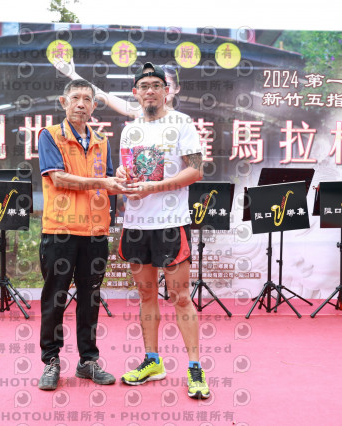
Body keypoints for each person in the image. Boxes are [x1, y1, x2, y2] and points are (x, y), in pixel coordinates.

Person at [117, 62, 209, 399]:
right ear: (135, 93)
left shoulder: (182, 123)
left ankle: (195, 367)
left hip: (170, 223)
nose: (150, 91)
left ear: (166, 91)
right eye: (144, 86)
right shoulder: (129, 130)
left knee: (180, 297)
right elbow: (128, 173)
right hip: (136, 223)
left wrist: (153, 189)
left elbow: (196, 171)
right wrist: (123, 178)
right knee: (146, 296)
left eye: (156, 85)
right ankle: (153, 361)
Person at [37, 78, 128, 390]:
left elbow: (110, 182)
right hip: (60, 231)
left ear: (94, 105)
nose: (81, 104)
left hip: (95, 233)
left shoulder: (102, 141)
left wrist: (121, 179)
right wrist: (102, 182)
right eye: (75, 98)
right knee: (55, 299)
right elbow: (59, 179)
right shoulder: (49, 135)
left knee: (90, 299)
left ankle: (88, 361)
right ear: (63, 102)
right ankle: (51, 361)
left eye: (87, 99)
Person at [53, 58, 181, 118]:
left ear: (177, 89)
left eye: (168, 85)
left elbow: (190, 164)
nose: (163, 91)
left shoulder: (182, 122)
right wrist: (72, 75)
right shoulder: (140, 112)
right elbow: (101, 94)